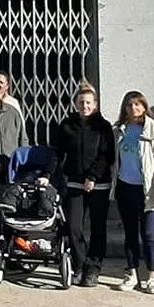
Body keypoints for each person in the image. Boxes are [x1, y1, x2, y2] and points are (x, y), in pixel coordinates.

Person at [114, 90, 154, 294]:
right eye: (129, 105)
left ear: (144, 106)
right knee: (130, 233)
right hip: (125, 187)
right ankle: (131, 273)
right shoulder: (119, 130)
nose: (134, 108)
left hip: (148, 190)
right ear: (125, 108)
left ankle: (151, 277)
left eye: (137, 104)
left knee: (148, 234)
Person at [53, 84, 115, 287]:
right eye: (81, 102)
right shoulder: (67, 125)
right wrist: (48, 173)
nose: (84, 106)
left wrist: (93, 177)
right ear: (76, 104)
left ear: (95, 104)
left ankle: (93, 267)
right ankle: (79, 264)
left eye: (88, 102)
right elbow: (57, 151)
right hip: (74, 183)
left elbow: (107, 155)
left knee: (98, 228)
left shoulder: (103, 126)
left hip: (98, 185)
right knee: (73, 226)